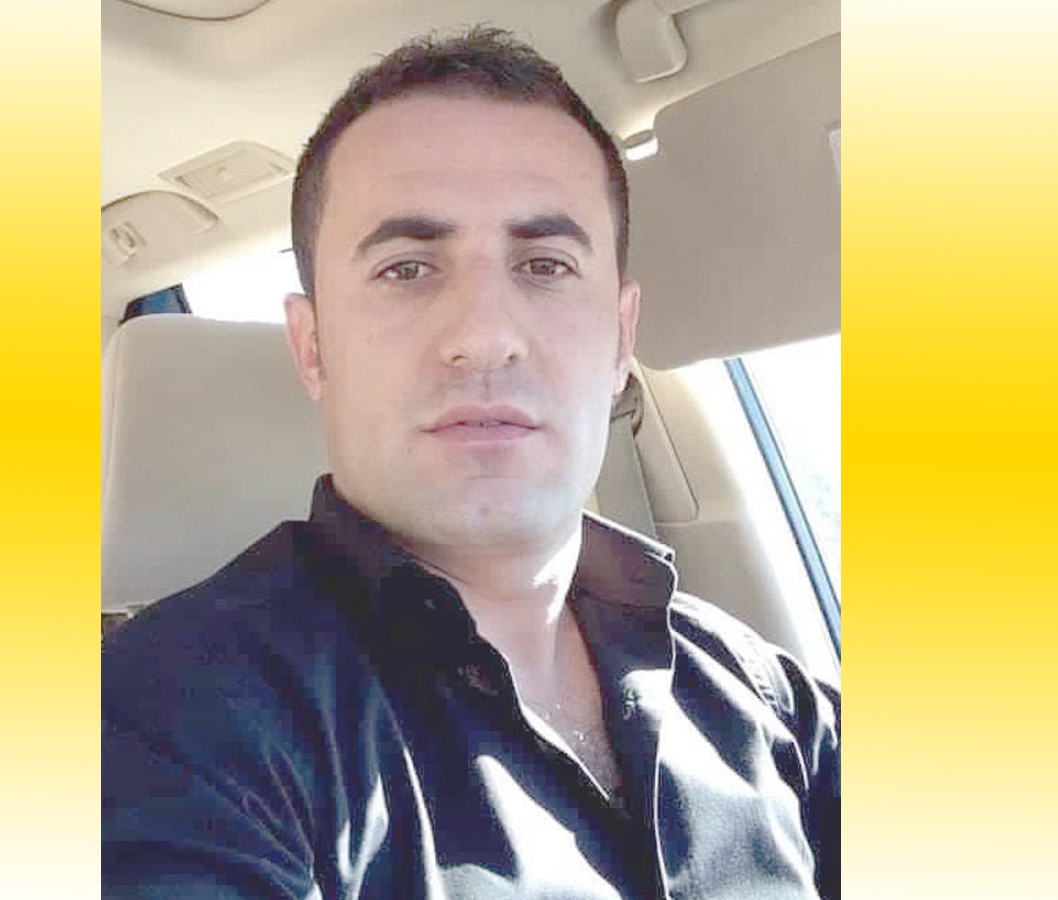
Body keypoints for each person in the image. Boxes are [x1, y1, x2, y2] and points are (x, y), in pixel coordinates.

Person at [103, 26, 839, 900]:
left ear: (620, 340)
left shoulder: (769, 697)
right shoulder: (158, 726)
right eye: (407, 268)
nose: (485, 337)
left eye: (546, 264)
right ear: (312, 347)